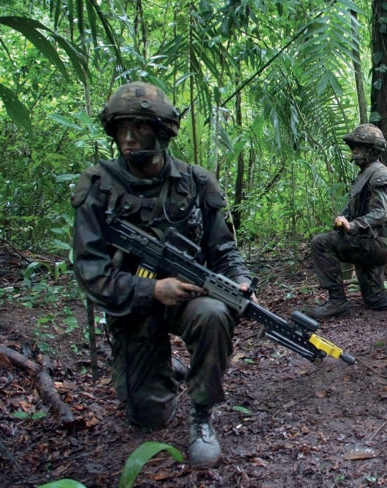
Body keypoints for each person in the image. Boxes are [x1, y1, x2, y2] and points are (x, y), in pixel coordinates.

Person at [71, 81, 254, 467]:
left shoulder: (197, 183)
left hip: (186, 299)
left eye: (138, 128)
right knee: (149, 418)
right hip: (133, 305)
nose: (127, 138)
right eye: (121, 129)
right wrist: (151, 289)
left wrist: (240, 279)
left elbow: (223, 250)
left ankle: (202, 414)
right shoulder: (98, 186)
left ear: (160, 131)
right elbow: (91, 273)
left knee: (215, 313)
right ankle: (164, 366)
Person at [306, 124, 387, 319]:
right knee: (375, 299)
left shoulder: (380, 174)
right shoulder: (366, 174)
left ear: (372, 150)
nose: (354, 150)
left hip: (374, 243)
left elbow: (380, 213)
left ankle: (337, 302)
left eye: (359, 146)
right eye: (353, 146)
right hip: (370, 241)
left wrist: (353, 225)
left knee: (321, 243)